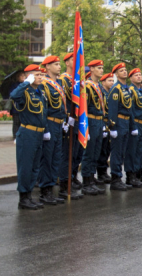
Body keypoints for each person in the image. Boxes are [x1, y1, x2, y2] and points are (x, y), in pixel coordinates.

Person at [11, 64, 48, 210]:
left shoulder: (39, 92)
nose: (39, 77)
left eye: (41, 74)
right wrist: (26, 82)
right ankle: (23, 198)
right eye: (36, 74)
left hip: (38, 133)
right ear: (29, 75)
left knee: (35, 167)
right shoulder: (24, 91)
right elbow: (13, 96)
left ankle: (29, 195)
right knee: (25, 167)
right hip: (27, 133)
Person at [38, 56, 70, 205]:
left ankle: (51, 188)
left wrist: (64, 120)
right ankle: (45, 191)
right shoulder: (44, 84)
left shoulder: (58, 83)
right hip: (49, 124)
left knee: (56, 157)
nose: (59, 67)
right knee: (47, 158)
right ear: (47, 67)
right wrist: (45, 128)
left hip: (58, 124)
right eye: (56, 65)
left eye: (58, 64)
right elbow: (44, 108)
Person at [58, 52, 84, 197]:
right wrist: (65, 119)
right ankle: (64, 184)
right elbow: (63, 101)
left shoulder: (77, 80)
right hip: (69, 120)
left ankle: (72, 178)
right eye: (73, 59)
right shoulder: (64, 80)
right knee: (66, 154)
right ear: (67, 63)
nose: (76, 62)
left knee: (75, 152)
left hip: (78, 120)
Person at [81, 59, 106, 195]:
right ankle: (86, 182)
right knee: (89, 153)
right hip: (90, 120)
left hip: (99, 120)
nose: (101, 70)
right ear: (91, 70)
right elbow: (85, 107)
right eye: (98, 68)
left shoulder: (98, 86)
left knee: (96, 152)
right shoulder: (88, 86)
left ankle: (91, 178)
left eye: (102, 68)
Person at [107, 63, 133, 191]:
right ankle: (115, 179)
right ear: (116, 74)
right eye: (121, 71)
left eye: (125, 70)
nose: (124, 72)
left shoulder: (125, 88)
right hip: (118, 122)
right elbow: (112, 109)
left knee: (122, 152)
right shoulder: (116, 89)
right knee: (116, 153)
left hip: (126, 122)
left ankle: (119, 177)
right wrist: (112, 126)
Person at [126, 68, 142, 188]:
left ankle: (136, 174)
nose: (139, 77)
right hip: (134, 123)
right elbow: (131, 109)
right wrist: (133, 125)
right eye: (136, 75)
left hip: (141, 123)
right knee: (132, 152)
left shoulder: (140, 91)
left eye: (140, 75)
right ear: (131, 78)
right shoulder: (131, 90)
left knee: (138, 151)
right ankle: (130, 176)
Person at [97, 72, 115, 184]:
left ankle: (104, 172)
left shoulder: (111, 93)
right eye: (109, 80)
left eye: (113, 80)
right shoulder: (101, 92)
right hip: (102, 123)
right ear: (103, 82)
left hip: (109, 124)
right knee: (101, 150)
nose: (112, 83)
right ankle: (100, 173)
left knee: (107, 149)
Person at [9, 71, 25, 139]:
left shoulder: (26, 84)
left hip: (23, 106)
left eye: (24, 76)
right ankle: (15, 136)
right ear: (18, 77)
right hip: (15, 107)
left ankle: (21, 135)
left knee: (22, 122)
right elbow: (13, 94)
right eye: (21, 76)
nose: (23, 77)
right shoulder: (14, 85)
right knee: (16, 122)